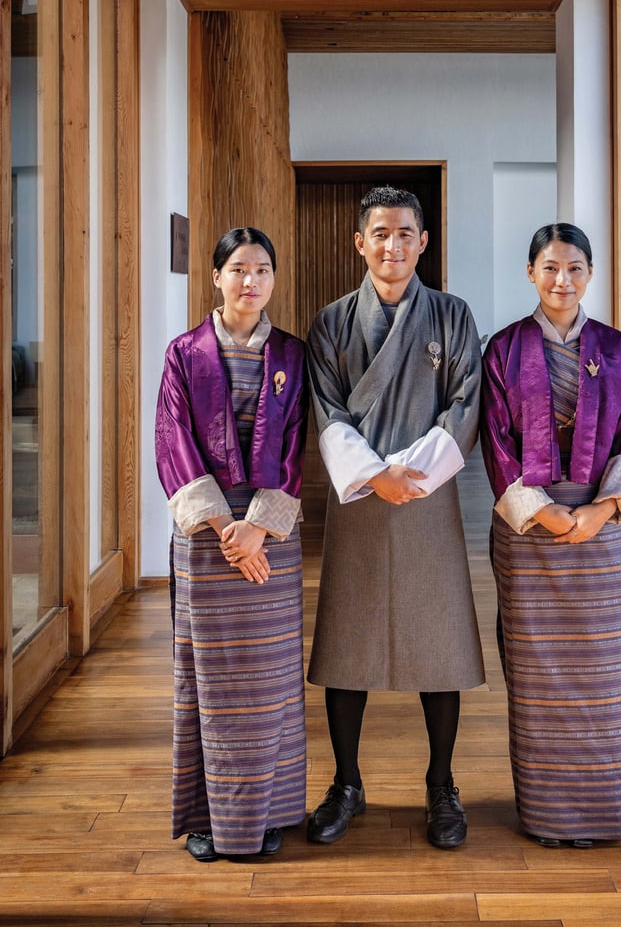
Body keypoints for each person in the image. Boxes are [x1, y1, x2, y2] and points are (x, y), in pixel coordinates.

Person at [305, 186, 484, 849]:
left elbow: (466, 405)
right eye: (380, 233)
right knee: (349, 647)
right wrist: (374, 473)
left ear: (424, 241)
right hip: (359, 498)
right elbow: (326, 409)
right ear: (360, 242)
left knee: (438, 647)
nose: (393, 246)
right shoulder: (330, 323)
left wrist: (409, 473)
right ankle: (346, 782)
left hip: (426, 499)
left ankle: (443, 784)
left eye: (406, 233)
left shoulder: (452, 316)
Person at [480, 222, 621, 849]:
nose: (562, 280)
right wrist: (541, 512)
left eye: (574, 268)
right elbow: (494, 443)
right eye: (549, 268)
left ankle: (603, 810)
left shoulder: (616, 348)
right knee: (538, 675)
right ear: (530, 273)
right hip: (529, 532)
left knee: (601, 677)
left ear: (590, 274)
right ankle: (547, 814)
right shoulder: (504, 350)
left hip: (596, 532)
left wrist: (602, 512)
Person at [155, 227, 308, 862]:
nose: (251, 281)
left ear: (274, 279)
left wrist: (259, 525)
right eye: (239, 269)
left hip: (269, 535)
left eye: (263, 270)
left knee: (270, 679)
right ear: (215, 276)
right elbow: (173, 439)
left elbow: (298, 446)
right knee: (207, 681)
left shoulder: (293, 356)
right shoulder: (183, 352)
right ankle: (206, 815)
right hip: (208, 538)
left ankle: (267, 814)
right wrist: (224, 526)